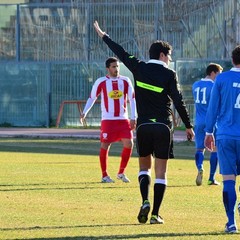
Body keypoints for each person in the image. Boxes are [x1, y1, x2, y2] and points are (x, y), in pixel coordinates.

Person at [93, 21, 194, 224]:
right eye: (169, 55)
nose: (170, 59)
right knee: (161, 171)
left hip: (144, 126)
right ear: (163, 55)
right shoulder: (169, 74)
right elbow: (178, 101)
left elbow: (120, 52)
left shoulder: (138, 67)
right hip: (164, 126)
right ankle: (156, 214)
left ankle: (145, 200)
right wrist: (189, 126)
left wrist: (104, 36)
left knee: (143, 168)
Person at [80, 57, 137, 183]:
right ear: (108, 68)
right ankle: (104, 175)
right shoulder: (101, 82)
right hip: (108, 120)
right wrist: (84, 112)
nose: (116, 69)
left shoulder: (126, 81)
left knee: (129, 144)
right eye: (113, 67)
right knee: (105, 145)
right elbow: (92, 98)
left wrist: (134, 117)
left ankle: (121, 172)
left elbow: (132, 99)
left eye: (117, 66)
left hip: (123, 119)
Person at [204, 45, 240, 234]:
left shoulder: (222, 78)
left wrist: (208, 132)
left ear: (232, 60)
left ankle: (231, 222)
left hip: (226, 135)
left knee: (228, 180)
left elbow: (213, 108)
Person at [192, 63, 223, 186]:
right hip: (212, 121)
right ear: (213, 73)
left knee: (200, 148)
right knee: (214, 149)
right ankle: (211, 178)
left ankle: (200, 166)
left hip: (199, 121)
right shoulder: (215, 86)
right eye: (218, 73)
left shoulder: (195, 85)